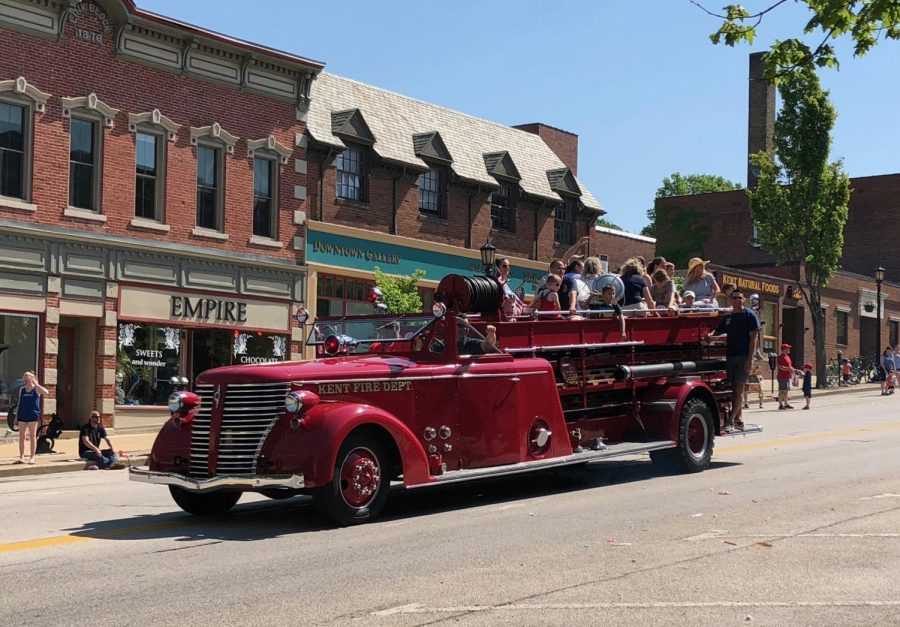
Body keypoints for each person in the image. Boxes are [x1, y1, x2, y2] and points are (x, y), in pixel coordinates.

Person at [707, 289, 760, 432]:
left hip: (743, 357)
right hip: (730, 356)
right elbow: (718, 331)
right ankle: (738, 419)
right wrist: (710, 336)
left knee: (739, 389)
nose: (736, 300)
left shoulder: (750, 315)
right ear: (730, 300)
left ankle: (730, 420)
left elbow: (753, 339)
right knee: (732, 389)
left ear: (744, 300)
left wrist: (750, 359)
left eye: (739, 298)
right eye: (734, 298)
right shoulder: (728, 317)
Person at [14, 371, 49, 464]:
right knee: (22, 436)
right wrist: (16, 417)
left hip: (33, 415)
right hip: (22, 415)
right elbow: (19, 403)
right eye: (24, 379)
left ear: (32, 379)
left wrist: (36, 384)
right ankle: (21, 457)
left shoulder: (36, 389)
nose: (25, 381)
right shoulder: (22, 389)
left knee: (33, 436)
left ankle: (32, 457)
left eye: (27, 379)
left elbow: (46, 392)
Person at [776, 343, 795, 409]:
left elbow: (789, 366)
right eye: (787, 348)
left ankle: (786, 404)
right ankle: (780, 405)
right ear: (784, 349)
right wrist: (788, 369)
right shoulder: (780, 357)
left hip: (787, 376)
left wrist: (793, 369)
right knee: (782, 391)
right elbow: (780, 367)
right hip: (782, 377)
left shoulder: (787, 357)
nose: (789, 349)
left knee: (786, 390)